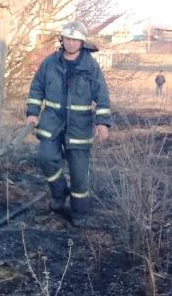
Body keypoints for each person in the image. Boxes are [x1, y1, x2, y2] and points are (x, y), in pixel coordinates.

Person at [25, 20, 112, 228]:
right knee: (45, 158)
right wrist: (32, 113)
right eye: (67, 38)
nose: (71, 43)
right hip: (52, 121)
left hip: (79, 126)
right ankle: (59, 192)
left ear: (82, 42)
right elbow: (36, 88)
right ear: (61, 40)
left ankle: (79, 212)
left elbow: (102, 95)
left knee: (79, 173)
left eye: (75, 39)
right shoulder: (49, 63)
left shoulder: (91, 66)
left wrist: (103, 123)